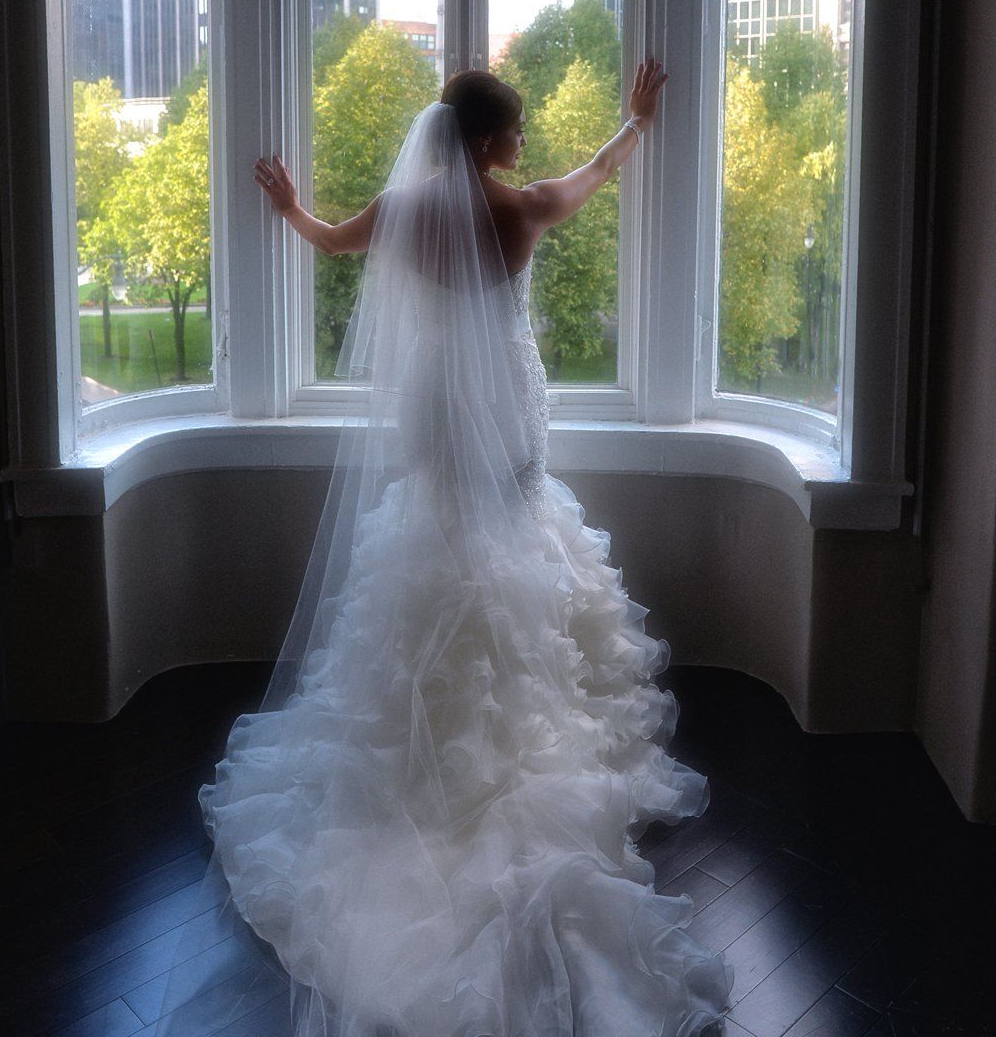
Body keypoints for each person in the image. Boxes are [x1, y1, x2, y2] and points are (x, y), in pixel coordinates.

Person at [155, 58, 733, 1037]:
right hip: (503, 409)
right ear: (483, 141)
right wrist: (636, 122)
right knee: (514, 532)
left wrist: (291, 203)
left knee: (436, 540)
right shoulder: (523, 209)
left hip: (435, 411)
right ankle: (518, 735)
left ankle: (425, 752)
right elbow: (597, 173)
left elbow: (334, 243)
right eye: (512, 132)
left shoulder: (405, 210)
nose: (521, 145)